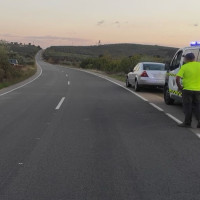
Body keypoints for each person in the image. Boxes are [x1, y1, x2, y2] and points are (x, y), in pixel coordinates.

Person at [176, 52, 200, 128]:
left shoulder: (185, 67)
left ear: (186, 59)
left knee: (188, 106)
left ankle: (187, 123)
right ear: (193, 59)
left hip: (187, 90)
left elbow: (177, 78)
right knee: (197, 107)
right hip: (198, 90)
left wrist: (179, 86)